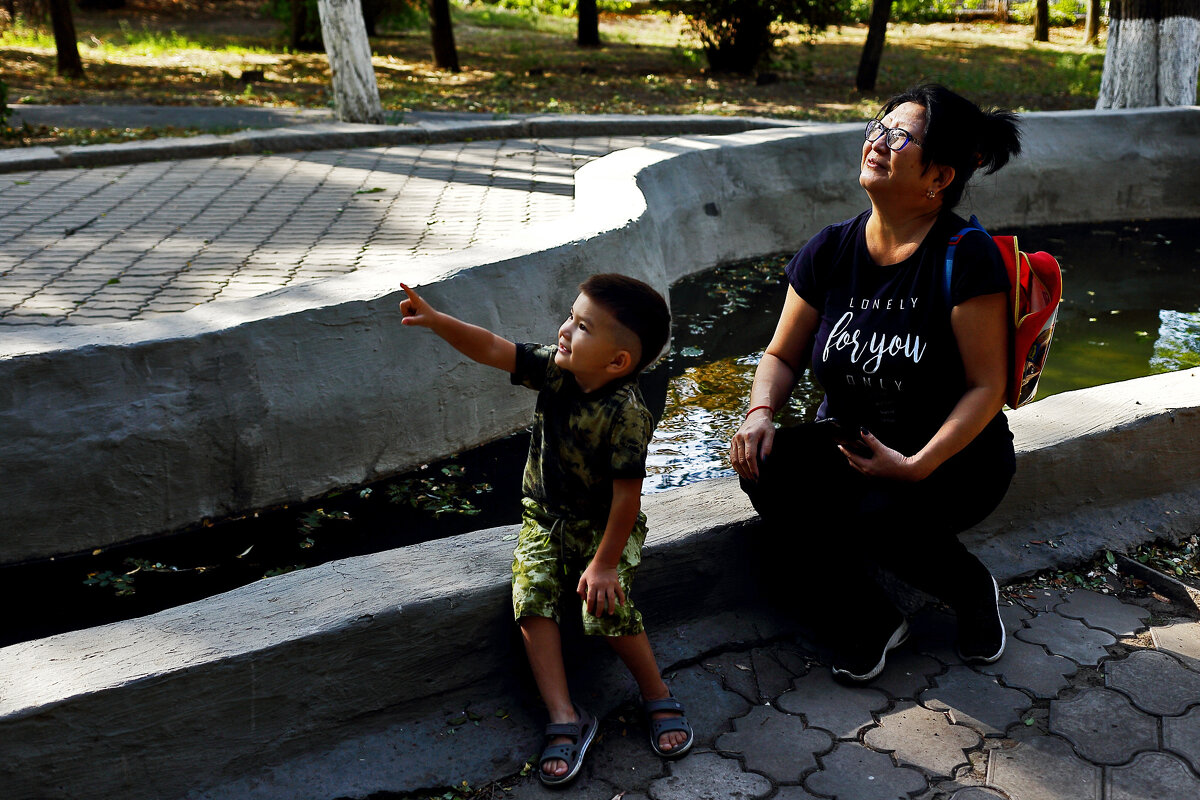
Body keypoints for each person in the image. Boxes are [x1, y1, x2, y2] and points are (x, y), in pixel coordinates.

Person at [729, 84, 1022, 684]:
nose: (877, 142)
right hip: (855, 445)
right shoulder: (832, 248)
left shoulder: (965, 256)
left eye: (899, 135)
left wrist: (916, 463)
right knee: (767, 463)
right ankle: (871, 618)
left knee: (877, 510)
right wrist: (760, 411)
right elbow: (782, 354)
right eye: (877, 126)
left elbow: (985, 388)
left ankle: (971, 590)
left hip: (953, 458)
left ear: (939, 176)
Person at [400, 274, 693, 786]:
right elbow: (493, 348)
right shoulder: (557, 371)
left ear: (618, 361)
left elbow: (627, 500)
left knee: (605, 604)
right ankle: (565, 715)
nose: (564, 330)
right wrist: (437, 321)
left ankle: (655, 693)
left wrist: (603, 565)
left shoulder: (627, 414)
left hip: (603, 529)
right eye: (571, 316)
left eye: (581, 326)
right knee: (531, 597)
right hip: (543, 520)